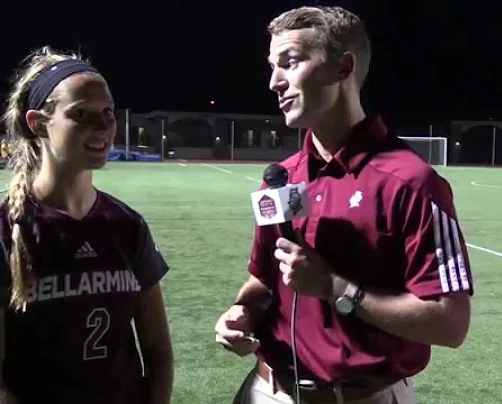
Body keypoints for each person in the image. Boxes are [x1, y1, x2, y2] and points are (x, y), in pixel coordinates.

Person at [215, 6, 473, 404]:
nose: (273, 82)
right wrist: (241, 312)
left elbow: (451, 325)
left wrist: (336, 288)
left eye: (291, 62)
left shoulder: (412, 183)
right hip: (267, 390)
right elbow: (264, 280)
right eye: (272, 66)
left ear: (343, 68)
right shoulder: (282, 177)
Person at [0, 46, 173, 403]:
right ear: (38, 123)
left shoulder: (126, 225)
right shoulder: (7, 230)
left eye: (107, 113)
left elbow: (157, 351)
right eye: (81, 114)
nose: (102, 127)